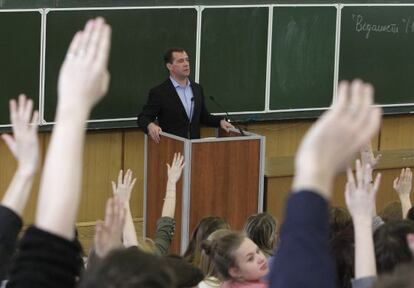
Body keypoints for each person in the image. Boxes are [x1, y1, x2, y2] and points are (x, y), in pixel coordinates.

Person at [137, 47, 233, 142]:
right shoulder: (159, 92)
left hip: (194, 148)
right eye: (180, 61)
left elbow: (204, 117)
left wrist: (220, 121)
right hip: (172, 148)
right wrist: (150, 125)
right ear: (169, 66)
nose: (186, 64)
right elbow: (143, 118)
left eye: (187, 60)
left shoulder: (197, 89)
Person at [201, 231, 269, 288]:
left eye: (258, 251)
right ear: (235, 271)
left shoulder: (227, 284)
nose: (261, 259)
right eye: (250, 259)